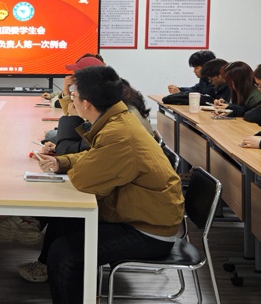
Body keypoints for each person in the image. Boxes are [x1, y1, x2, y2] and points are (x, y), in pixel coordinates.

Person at [19, 66, 184, 304]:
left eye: (73, 96)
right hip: (137, 214)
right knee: (64, 222)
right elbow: (95, 157)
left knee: (64, 253)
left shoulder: (119, 133)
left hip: (149, 230)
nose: (70, 101)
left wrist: (68, 163)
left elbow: (85, 180)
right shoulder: (117, 121)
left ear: (86, 103)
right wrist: (62, 162)